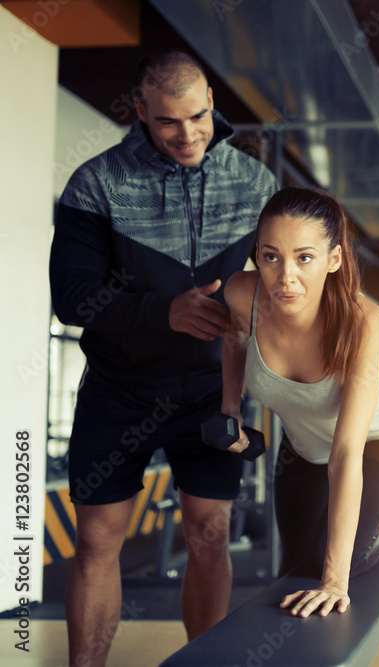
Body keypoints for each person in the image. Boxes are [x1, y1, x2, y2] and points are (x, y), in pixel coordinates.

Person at [49, 49, 278, 666]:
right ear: (140, 112)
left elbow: (284, 285)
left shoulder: (255, 182)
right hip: (119, 389)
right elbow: (70, 297)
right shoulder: (96, 183)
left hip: (211, 389)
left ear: (211, 103)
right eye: (170, 122)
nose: (189, 134)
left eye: (199, 116)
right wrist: (163, 311)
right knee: (98, 540)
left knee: (209, 533)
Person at [221, 186, 379, 617]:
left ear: (335, 259)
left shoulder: (363, 321)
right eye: (271, 257)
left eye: (304, 257)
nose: (286, 276)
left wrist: (335, 581)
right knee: (292, 571)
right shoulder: (242, 295)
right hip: (302, 444)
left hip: (374, 440)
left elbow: (347, 453)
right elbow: (234, 337)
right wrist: (228, 407)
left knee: (328, 571)